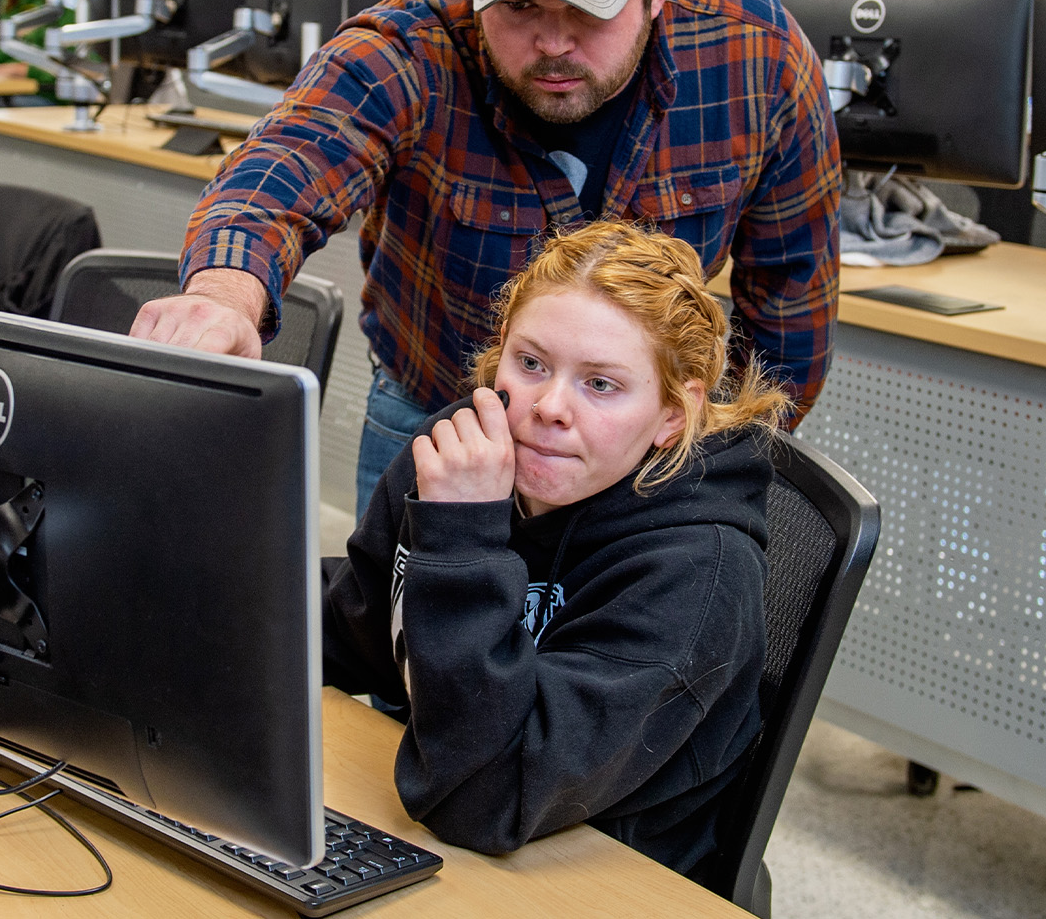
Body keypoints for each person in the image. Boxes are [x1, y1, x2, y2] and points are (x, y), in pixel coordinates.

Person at [130, 0, 841, 515]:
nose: (554, 43)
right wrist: (224, 298)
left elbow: (791, 293)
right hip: (436, 416)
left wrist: (730, 461)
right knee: (394, 635)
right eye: (521, 6)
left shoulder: (759, 55)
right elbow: (282, 170)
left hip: (646, 449)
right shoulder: (414, 44)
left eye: (588, 11)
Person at [323, 219, 789, 876]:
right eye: (532, 363)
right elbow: (354, 629)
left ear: (671, 416)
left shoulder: (695, 571)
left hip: (603, 876)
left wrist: (460, 541)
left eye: (601, 384)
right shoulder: (460, 459)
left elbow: (486, 800)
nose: (548, 406)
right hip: (455, 834)